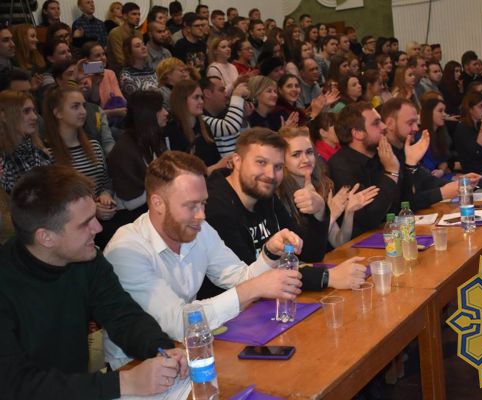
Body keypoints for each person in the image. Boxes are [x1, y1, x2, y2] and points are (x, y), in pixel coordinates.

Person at [0, 165, 189, 399]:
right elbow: (16, 385)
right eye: (85, 223)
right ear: (46, 237)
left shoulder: (85, 258)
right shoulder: (7, 286)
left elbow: (123, 316)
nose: (98, 228)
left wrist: (162, 348)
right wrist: (123, 382)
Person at [103, 150, 304, 367]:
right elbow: (177, 323)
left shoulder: (199, 229)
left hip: (187, 351)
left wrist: (270, 253)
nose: (201, 215)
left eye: (203, 203)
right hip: (136, 366)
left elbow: (239, 277)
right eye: (191, 206)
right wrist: (253, 288)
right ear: (158, 203)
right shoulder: (126, 250)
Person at [206, 127, 365, 296]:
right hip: (235, 308)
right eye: (261, 162)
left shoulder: (264, 195)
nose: (271, 174)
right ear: (237, 161)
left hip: (269, 300)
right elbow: (252, 279)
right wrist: (327, 277)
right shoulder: (214, 207)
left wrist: (319, 211)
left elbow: (309, 253)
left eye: (278, 166)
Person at [328, 102, 427, 237]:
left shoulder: (382, 155)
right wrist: (391, 173)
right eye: (376, 123)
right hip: (360, 243)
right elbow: (369, 219)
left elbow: (407, 204)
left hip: (392, 234)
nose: (384, 126)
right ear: (357, 133)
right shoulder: (340, 166)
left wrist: (410, 164)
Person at [279, 127, 378, 248]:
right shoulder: (279, 196)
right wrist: (330, 216)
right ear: (281, 160)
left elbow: (339, 242)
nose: (305, 159)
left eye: (309, 152)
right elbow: (302, 250)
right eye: (296, 154)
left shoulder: (321, 185)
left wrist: (349, 212)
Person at [381, 97, 476, 209]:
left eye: (416, 122)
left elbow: (426, 180)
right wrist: (442, 192)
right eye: (410, 123)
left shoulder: (405, 149)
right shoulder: (383, 156)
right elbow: (403, 202)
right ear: (390, 124)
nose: (416, 128)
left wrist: (460, 182)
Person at [42, 85, 116, 222]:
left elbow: (106, 182)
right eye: (75, 106)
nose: (83, 111)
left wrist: (105, 195)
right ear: (58, 113)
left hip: (101, 218)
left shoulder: (94, 146)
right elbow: (56, 201)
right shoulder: (48, 155)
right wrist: (91, 208)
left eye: (83, 106)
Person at [108, 91, 168, 221]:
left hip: (150, 208)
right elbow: (131, 202)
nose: (166, 112)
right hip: (129, 217)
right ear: (147, 114)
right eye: (160, 109)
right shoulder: (123, 151)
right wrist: (166, 184)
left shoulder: (153, 137)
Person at [164, 79, 232, 174]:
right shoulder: (172, 130)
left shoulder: (204, 126)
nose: (201, 101)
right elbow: (180, 173)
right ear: (182, 101)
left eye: (201, 97)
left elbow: (215, 158)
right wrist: (214, 168)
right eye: (196, 97)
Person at [0, 90, 50, 193]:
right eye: (26, 111)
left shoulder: (38, 151)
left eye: (34, 111)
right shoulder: (4, 159)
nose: (35, 117)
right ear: (4, 116)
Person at [106, 2, 142, 71]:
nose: (138, 17)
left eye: (139, 14)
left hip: (137, 69)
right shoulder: (115, 33)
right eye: (134, 14)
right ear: (125, 16)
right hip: (118, 72)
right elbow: (120, 60)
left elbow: (141, 55)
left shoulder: (139, 34)